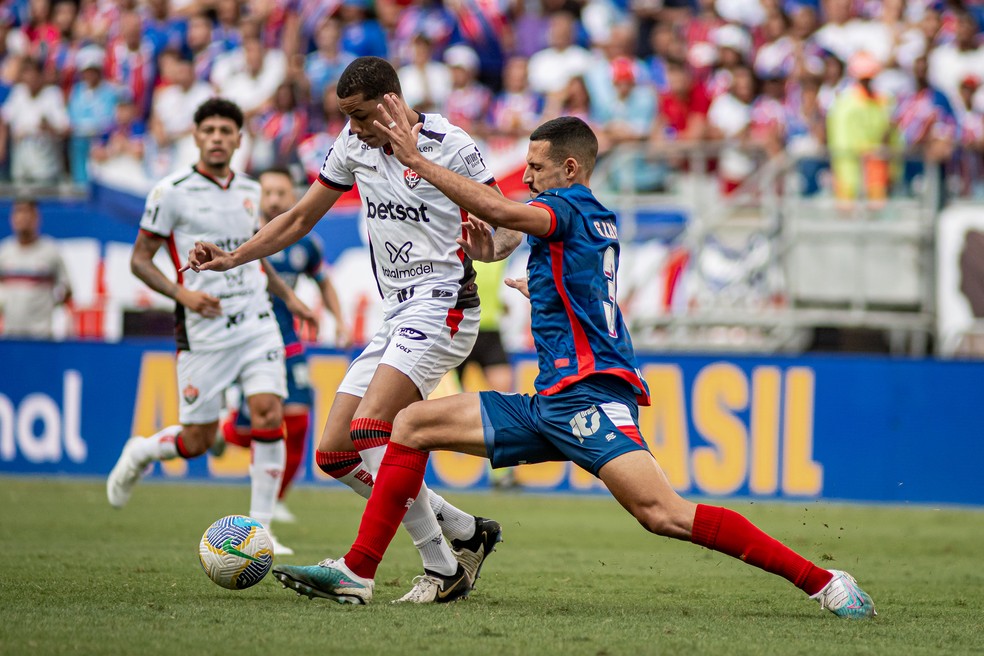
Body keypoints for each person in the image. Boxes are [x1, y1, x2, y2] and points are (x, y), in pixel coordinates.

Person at [266, 110, 877, 619]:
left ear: (569, 168)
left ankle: (824, 581)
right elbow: (567, 278)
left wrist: (419, 162)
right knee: (409, 425)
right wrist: (538, 287)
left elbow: (505, 215)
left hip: (589, 403)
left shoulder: (572, 209)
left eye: (533, 168)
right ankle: (360, 570)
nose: (524, 178)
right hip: (548, 402)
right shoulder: (581, 222)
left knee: (663, 514)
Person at [186, 56, 523, 603]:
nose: (356, 128)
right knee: (337, 452)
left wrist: (492, 250)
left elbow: (508, 224)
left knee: (373, 430)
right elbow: (298, 220)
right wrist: (232, 258)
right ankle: (465, 531)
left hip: (445, 305)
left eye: (363, 116)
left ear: (392, 100)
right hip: (397, 314)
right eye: (347, 117)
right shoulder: (352, 145)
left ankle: (414, 568)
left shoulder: (449, 143)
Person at [105, 98, 318, 556]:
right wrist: (183, 295)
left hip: (257, 320)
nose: (218, 137)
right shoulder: (171, 192)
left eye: (227, 130)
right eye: (210, 130)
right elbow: (139, 261)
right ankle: (141, 452)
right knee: (198, 440)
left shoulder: (250, 191)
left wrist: (290, 298)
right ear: (197, 137)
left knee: (268, 412)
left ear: (240, 139)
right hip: (203, 328)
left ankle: (259, 533)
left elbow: (255, 255)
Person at [218, 166, 350, 523]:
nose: (274, 199)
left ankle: (274, 499)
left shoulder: (304, 242)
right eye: (268, 192)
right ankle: (222, 433)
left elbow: (324, 282)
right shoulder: (240, 237)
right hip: (244, 342)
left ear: (293, 197)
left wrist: (339, 320)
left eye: (281, 192)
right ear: (256, 197)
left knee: (300, 420)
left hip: (287, 342)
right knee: (255, 428)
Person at [0, 198, 71, 338]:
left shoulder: (51, 251)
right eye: (19, 212)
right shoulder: (4, 252)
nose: (23, 217)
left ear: (37, 217)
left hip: (41, 337)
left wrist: (49, 305)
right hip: (10, 335)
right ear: (12, 218)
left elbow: (67, 289)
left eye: (28, 212)